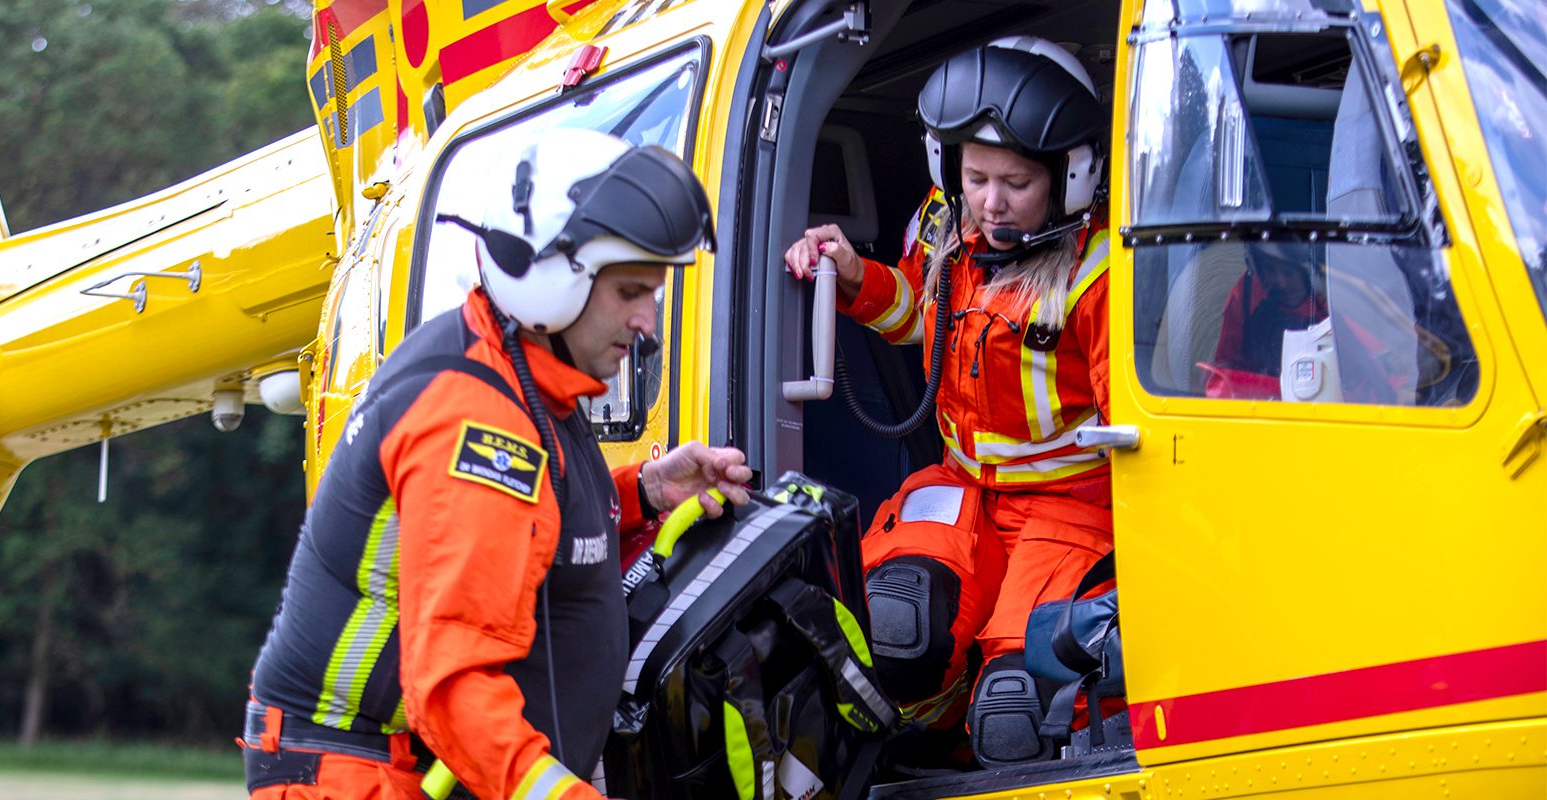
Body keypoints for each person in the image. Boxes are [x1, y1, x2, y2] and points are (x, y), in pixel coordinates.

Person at [241, 128, 751, 799]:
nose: (648, 321)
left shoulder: (514, 375)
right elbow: (452, 686)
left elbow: (522, 527)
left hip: (386, 766)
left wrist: (644, 492)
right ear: (549, 279)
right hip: (354, 774)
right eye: (631, 291)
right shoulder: (479, 420)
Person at [783, 38, 1111, 767]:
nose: (991, 202)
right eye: (977, 176)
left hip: (1070, 510)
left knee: (1020, 705)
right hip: (962, 487)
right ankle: (916, 751)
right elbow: (917, 321)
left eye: (1017, 183)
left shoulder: (1100, 275)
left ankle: (985, 755)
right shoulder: (946, 231)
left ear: (1070, 177)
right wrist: (849, 274)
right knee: (895, 622)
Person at [1203, 242, 1329, 398]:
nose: (1281, 283)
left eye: (1288, 272)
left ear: (1309, 273)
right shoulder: (1247, 292)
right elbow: (1226, 362)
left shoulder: (1332, 300)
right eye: (1269, 269)